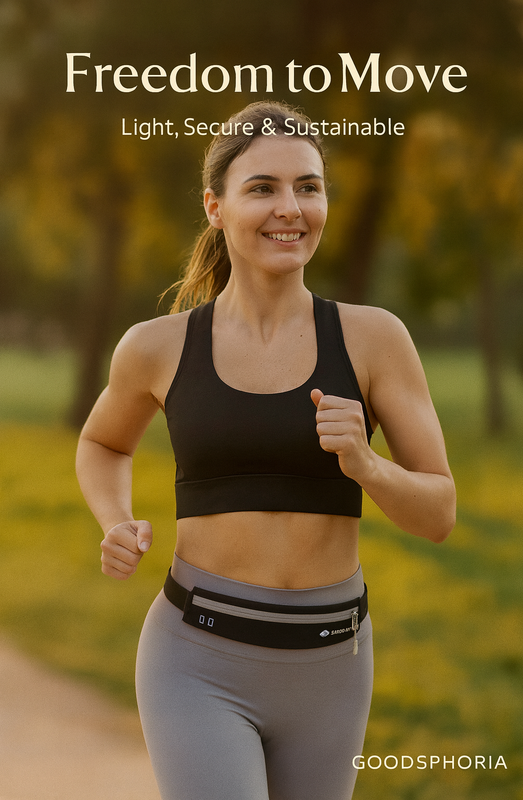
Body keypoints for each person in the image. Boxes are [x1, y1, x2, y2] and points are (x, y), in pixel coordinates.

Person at [76, 100, 456, 800]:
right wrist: (114, 519)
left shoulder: (374, 340)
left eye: (308, 186)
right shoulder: (156, 347)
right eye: (263, 188)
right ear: (215, 208)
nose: (291, 207)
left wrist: (367, 467)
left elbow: (437, 513)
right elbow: (102, 441)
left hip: (331, 665)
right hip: (195, 659)